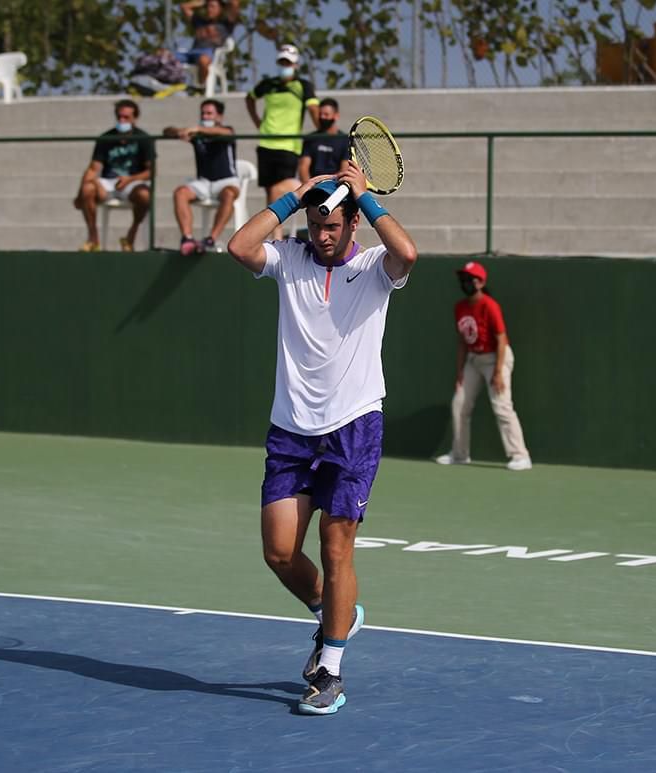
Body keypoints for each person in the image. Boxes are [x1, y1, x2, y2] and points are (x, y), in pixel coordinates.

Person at [227, 163, 418, 715]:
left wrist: (366, 198)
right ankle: (332, 611)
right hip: (291, 430)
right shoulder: (289, 259)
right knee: (280, 552)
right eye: (316, 224)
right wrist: (292, 199)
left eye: (333, 223)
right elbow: (240, 247)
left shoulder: (374, 267)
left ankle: (329, 671)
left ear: (353, 223)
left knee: (337, 549)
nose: (323, 233)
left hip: (353, 428)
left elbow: (408, 254)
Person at [435, 260, 533, 471]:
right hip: (474, 359)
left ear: (480, 283)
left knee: (502, 405)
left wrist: (497, 372)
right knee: (459, 404)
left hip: (497, 358)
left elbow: (501, 339)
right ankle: (460, 455)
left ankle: (521, 456)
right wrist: (460, 371)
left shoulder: (490, 305)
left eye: (469, 279)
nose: (465, 282)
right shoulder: (460, 307)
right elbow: (462, 341)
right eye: (463, 279)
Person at [246, 44, 320, 240]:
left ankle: (281, 235)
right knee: (269, 192)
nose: (284, 66)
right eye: (281, 62)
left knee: (279, 191)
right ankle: (275, 235)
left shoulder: (303, 86)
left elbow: (314, 110)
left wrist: (321, 130)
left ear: (295, 64)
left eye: (288, 62)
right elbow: (250, 98)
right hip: (266, 145)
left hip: (289, 146)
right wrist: (257, 122)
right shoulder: (268, 84)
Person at [73, 99, 154, 252]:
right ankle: (93, 238)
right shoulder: (106, 138)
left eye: (126, 117)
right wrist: (83, 192)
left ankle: (130, 236)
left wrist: (130, 179)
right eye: (119, 117)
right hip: (108, 182)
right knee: (87, 190)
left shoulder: (144, 139)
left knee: (144, 196)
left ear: (135, 118)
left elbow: (151, 172)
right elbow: (93, 169)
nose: (122, 121)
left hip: (132, 182)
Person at [163, 99, 240, 256]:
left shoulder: (226, 130)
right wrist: (179, 132)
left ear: (219, 116)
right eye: (203, 113)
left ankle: (210, 239)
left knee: (229, 195)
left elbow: (228, 133)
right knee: (180, 192)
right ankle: (187, 238)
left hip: (226, 181)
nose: (205, 116)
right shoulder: (196, 134)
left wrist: (198, 128)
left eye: (209, 113)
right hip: (203, 182)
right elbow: (167, 131)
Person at [177, 0, 239, 87]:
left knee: (203, 60)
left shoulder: (226, 24)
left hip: (208, 53)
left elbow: (235, 3)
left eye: (213, 7)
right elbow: (184, 6)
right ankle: (161, 86)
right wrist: (202, 3)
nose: (209, 9)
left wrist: (224, 3)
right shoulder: (199, 22)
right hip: (190, 53)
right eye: (208, 7)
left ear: (220, 9)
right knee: (165, 58)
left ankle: (200, 87)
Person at [298, 97, 350, 183]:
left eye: (326, 114)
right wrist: (309, 189)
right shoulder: (310, 138)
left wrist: (331, 187)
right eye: (320, 114)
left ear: (336, 116)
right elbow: (303, 167)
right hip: (313, 186)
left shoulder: (345, 140)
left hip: (334, 187)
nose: (322, 117)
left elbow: (344, 170)